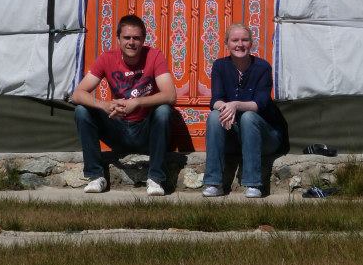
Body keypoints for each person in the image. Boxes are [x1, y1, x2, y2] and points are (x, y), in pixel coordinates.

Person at [71, 14, 176, 196]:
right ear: (118, 39)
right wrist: (104, 105)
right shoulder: (107, 58)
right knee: (81, 111)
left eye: (136, 38)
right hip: (117, 128)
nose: (131, 42)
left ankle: (156, 178)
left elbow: (170, 95)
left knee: (164, 111)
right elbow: (78, 94)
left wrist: (137, 102)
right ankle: (96, 176)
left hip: (145, 130)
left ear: (143, 40)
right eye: (126, 37)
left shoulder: (155, 56)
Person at [202, 23, 289, 198]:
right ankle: (214, 182)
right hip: (235, 135)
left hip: (266, 137)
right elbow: (215, 100)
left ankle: (254, 184)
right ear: (227, 43)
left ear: (251, 43)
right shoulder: (220, 66)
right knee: (214, 116)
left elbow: (260, 103)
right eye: (234, 40)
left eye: (245, 40)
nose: (239, 44)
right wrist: (226, 107)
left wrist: (235, 104)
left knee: (249, 117)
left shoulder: (262, 67)